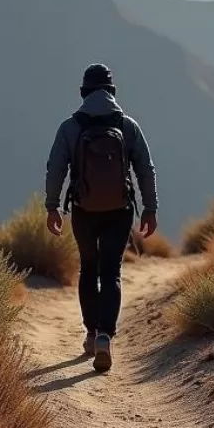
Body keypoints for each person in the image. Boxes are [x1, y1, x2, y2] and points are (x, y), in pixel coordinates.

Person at [45, 63, 158, 373]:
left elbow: (55, 169)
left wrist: (52, 207)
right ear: (112, 92)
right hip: (119, 211)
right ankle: (106, 336)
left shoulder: (70, 127)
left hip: (83, 210)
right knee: (111, 271)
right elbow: (145, 169)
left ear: (83, 92)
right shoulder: (128, 126)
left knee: (88, 268)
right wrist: (150, 209)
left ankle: (91, 333)